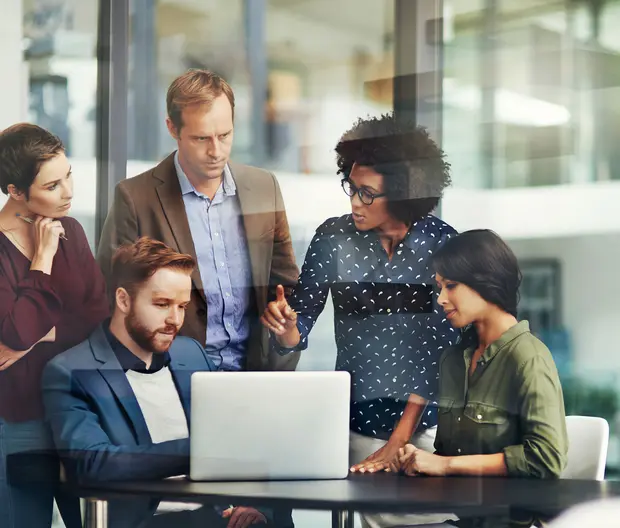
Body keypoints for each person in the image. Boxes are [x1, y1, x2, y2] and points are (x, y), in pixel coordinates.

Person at [43, 237, 291, 528]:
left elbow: (241, 437)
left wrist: (252, 503)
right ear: (123, 300)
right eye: (162, 304)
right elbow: (92, 465)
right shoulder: (70, 370)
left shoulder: (192, 353)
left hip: (216, 519)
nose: (175, 319)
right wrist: (200, 452)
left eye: (182, 306)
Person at [261, 113, 457, 476]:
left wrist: (399, 441)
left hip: (426, 430)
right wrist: (287, 328)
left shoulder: (442, 245)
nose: (355, 202)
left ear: (402, 193)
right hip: (353, 425)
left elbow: (441, 354)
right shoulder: (333, 239)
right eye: (351, 187)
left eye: (367, 193)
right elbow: (300, 320)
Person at [96, 68, 299, 373]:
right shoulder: (135, 198)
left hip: (255, 377)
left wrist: (285, 326)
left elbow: (286, 287)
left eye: (225, 135)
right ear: (172, 129)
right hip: (170, 380)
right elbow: (110, 300)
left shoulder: (263, 188)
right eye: (201, 138)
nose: (216, 151)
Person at [398, 229, 568, 528]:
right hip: (452, 516)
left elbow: (546, 459)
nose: (441, 299)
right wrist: (421, 463)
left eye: (450, 286)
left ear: (486, 283)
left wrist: (445, 465)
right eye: (439, 287)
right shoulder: (453, 359)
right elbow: (451, 454)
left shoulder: (529, 358)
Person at [0, 123, 109, 528]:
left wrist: (33, 338)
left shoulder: (74, 232)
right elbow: (13, 331)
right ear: (15, 191)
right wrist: (42, 258)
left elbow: (97, 319)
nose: (68, 192)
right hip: (19, 419)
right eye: (52, 186)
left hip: (79, 415)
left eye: (68, 176)